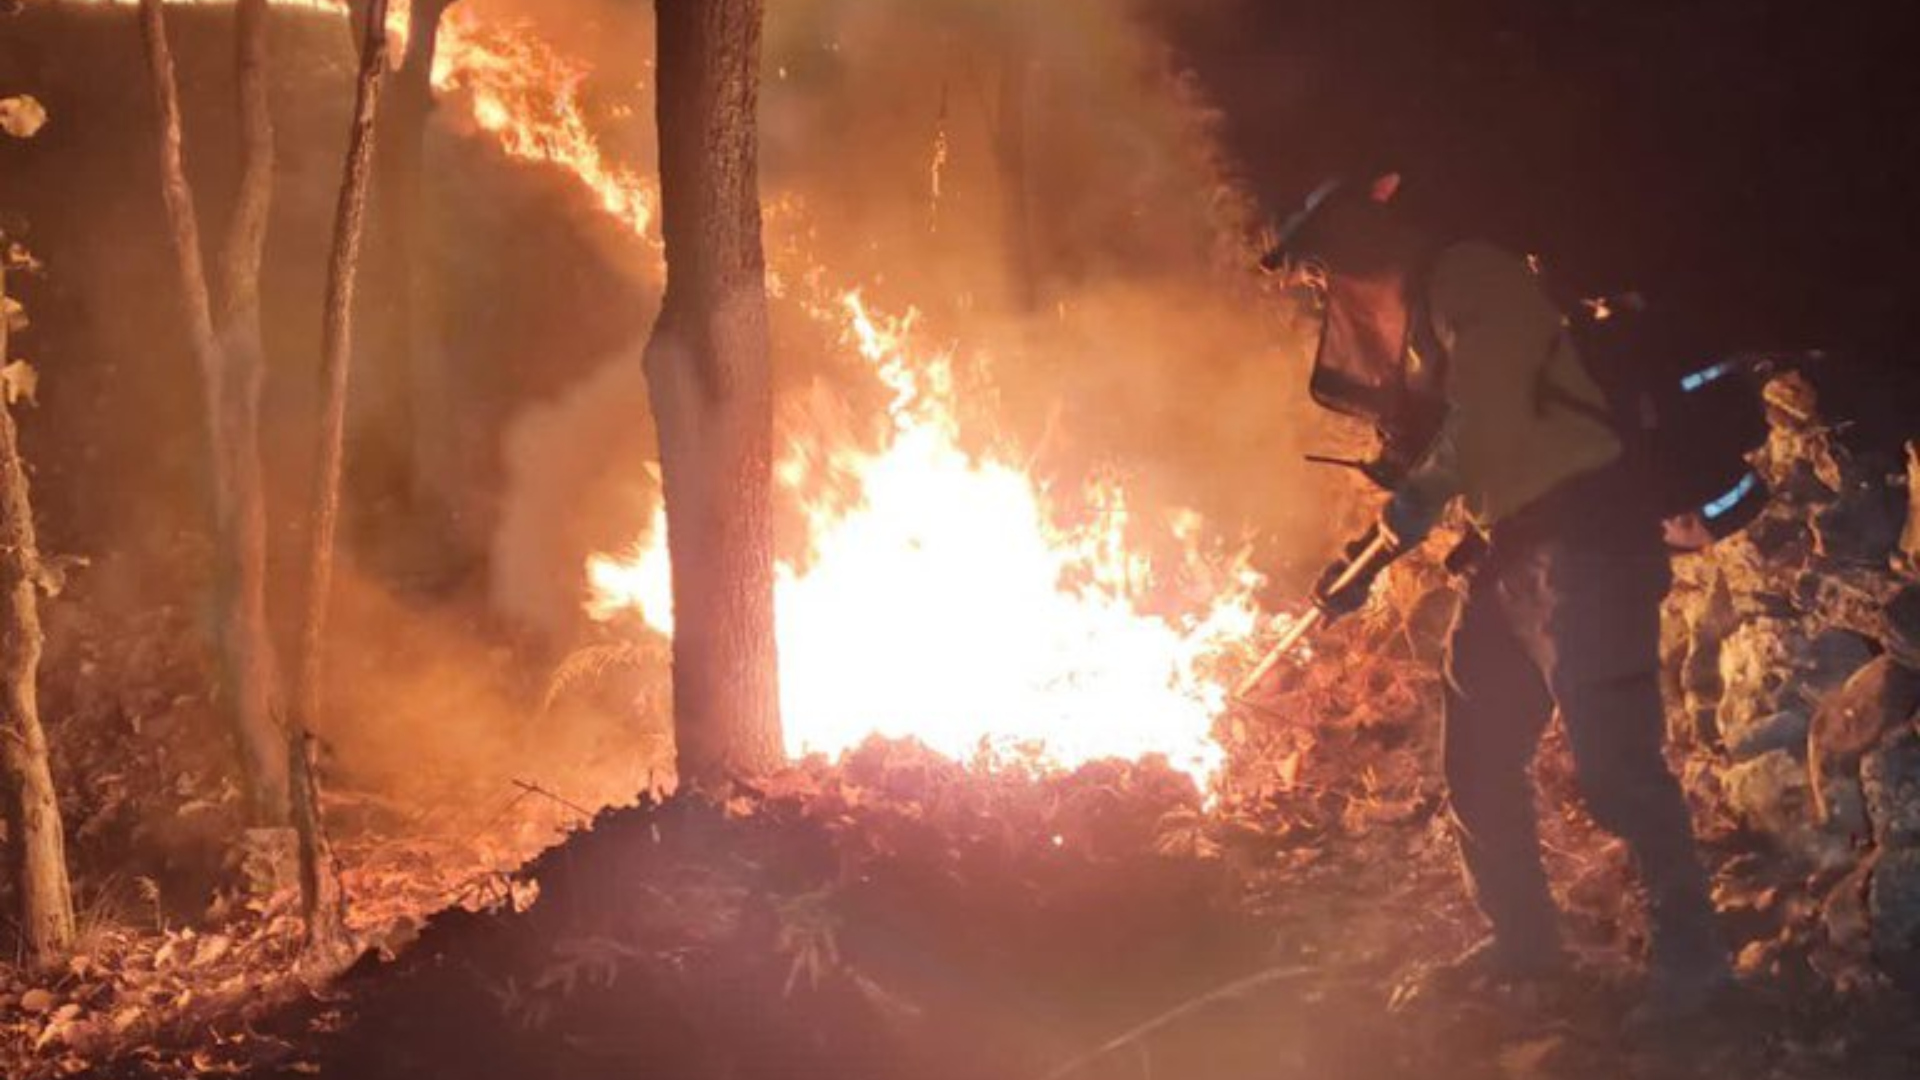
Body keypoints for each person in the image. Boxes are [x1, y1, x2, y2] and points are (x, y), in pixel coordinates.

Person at [1266, 174, 1732, 1027]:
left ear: (1361, 237)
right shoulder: (1419, 327)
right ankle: (1526, 947)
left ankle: (1696, 966)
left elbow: (1486, 414)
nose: (1326, 285)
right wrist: (1377, 547)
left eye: (1324, 263)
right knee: (1478, 761)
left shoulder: (1472, 277)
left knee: (1618, 774)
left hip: (1588, 537)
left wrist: (1404, 515)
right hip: (1513, 551)